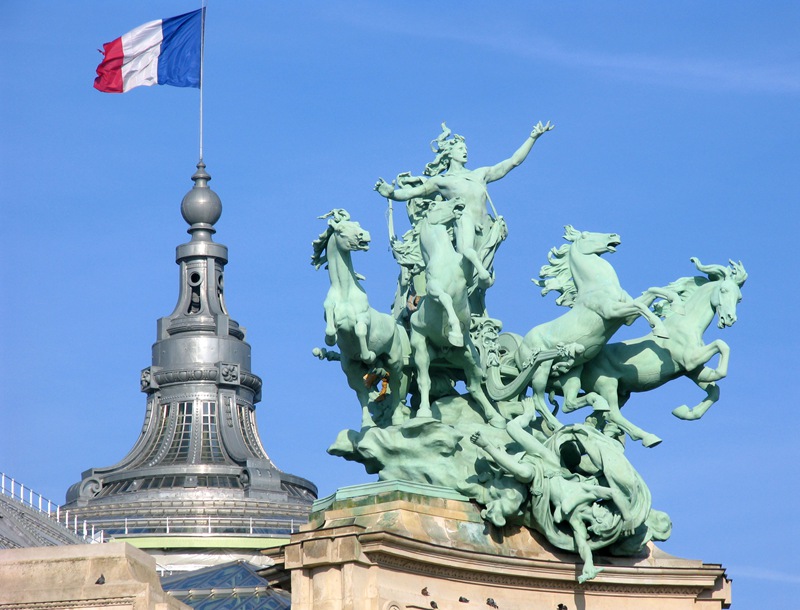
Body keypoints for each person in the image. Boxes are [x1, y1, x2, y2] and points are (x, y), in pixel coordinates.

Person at [375, 121, 553, 315]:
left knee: (474, 284)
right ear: (450, 153)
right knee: (466, 255)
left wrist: (533, 137)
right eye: (460, 148)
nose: (465, 151)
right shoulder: (442, 181)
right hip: (464, 222)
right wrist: (391, 194)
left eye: (465, 148)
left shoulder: (480, 174)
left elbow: (512, 162)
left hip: (485, 229)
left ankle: (470, 309)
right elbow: (412, 193)